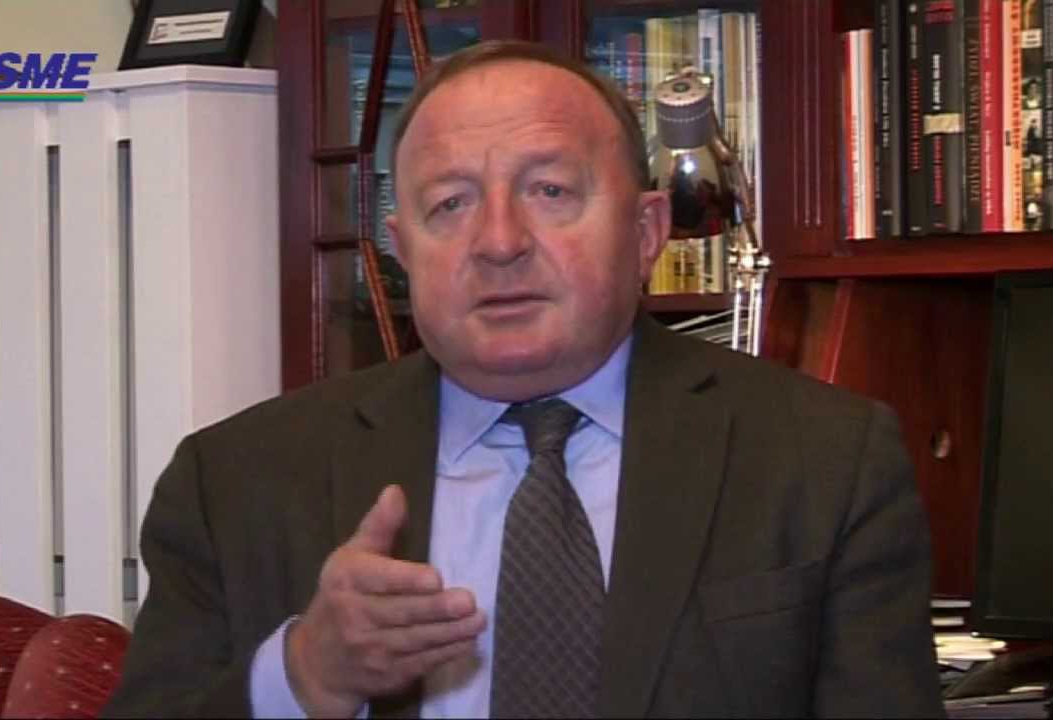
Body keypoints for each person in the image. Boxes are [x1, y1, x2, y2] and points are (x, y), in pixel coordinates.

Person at [103, 40, 943, 718]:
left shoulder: (825, 461)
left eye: (548, 191)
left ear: (646, 231)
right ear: (401, 250)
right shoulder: (236, 482)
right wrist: (304, 678)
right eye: (451, 204)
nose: (499, 242)